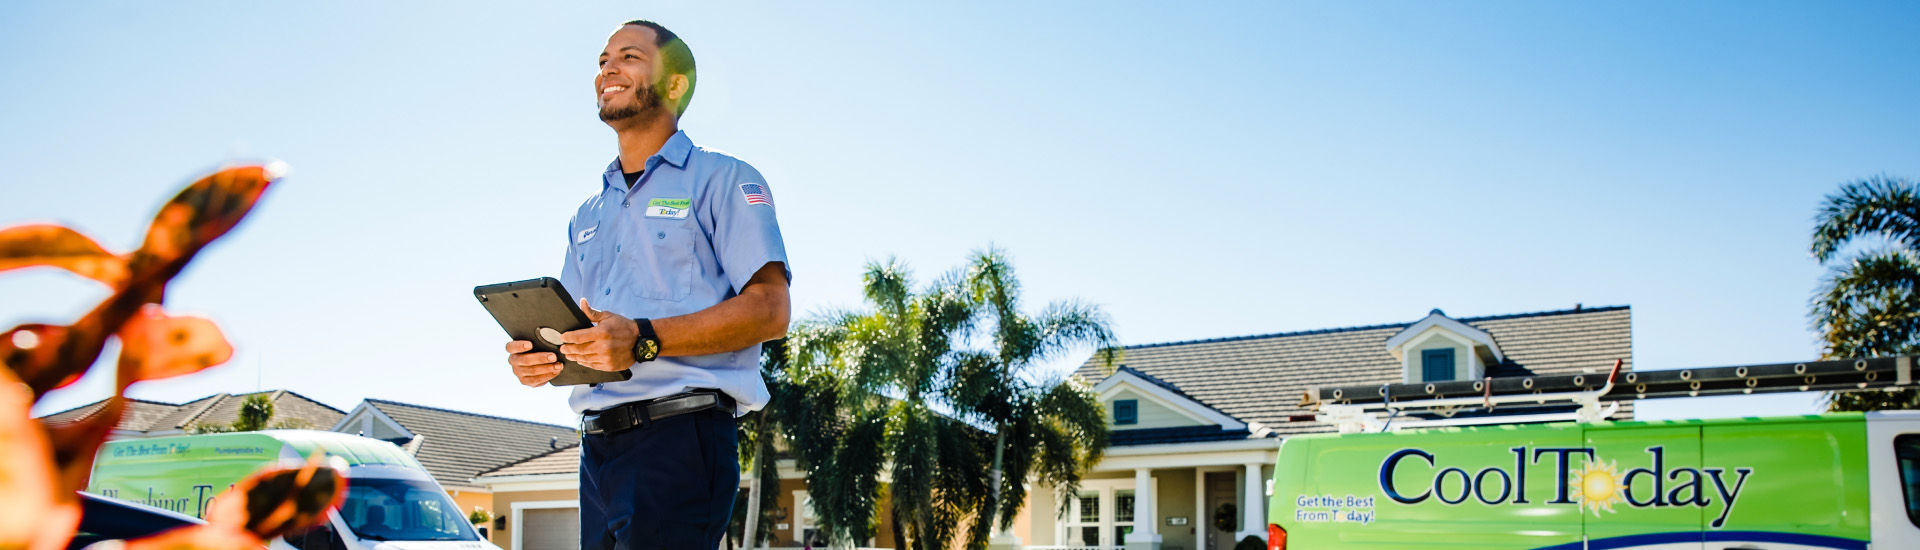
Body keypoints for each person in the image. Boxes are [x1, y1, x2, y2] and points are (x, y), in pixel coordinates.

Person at [503, 19, 790, 550]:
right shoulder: (587, 212)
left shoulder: (725, 179)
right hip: (597, 454)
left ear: (674, 84)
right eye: (602, 60)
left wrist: (642, 337)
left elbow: (770, 310)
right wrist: (542, 357)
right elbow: (582, 329)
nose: (607, 68)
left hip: (681, 442)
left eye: (629, 57)